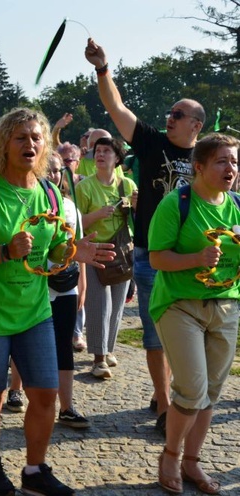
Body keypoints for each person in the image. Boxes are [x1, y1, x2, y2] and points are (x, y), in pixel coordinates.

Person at [0, 107, 112, 496]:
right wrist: (5, 251)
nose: (30, 144)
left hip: (34, 311)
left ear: (45, 147)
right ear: (5, 144)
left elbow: (54, 250)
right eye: (21, 137)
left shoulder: (49, 193)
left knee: (45, 392)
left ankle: (35, 471)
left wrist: (75, 252)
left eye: (36, 138)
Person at [85, 37, 205, 434]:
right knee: (155, 333)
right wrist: (103, 68)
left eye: (178, 114)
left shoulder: (204, 158)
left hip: (195, 261)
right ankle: (164, 403)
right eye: (169, 112)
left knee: (188, 334)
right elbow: (115, 107)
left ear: (196, 125)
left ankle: (175, 392)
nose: (169, 117)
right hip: (150, 256)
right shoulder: (151, 142)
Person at [148, 133, 239, 495]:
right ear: (199, 167)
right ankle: (170, 455)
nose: (230, 168)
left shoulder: (236, 206)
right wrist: (196, 259)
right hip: (179, 305)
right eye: (221, 161)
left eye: (234, 161)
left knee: (212, 393)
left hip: (226, 306)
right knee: (192, 388)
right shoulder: (177, 204)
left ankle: (192, 463)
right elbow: (157, 258)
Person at [76, 137, 137, 379]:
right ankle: (98, 359)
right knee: (99, 304)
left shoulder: (128, 185)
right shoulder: (84, 187)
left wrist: (136, 207)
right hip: (94, 250)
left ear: (118, 158)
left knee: (117, 304)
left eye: (106, 151)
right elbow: (76, 223)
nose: (100, 155)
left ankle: (108, 349)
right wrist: (97, 215)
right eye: (97, 151)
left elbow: (138, 219)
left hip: (122, 249)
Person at [46, 152, 89, 429]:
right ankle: (16, 389)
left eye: (56, 170)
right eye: (46, 170)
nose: (52, 175)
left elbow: (79, 247)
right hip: (33, 286)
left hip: (65, 285)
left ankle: (67, 407)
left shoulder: (71, 208)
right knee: (27, 344)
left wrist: (81, 284)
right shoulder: (27, 203)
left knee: (63, 343)